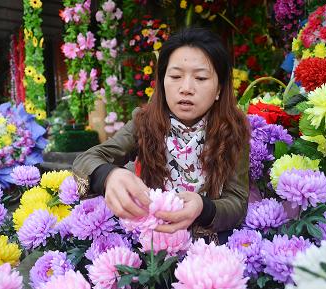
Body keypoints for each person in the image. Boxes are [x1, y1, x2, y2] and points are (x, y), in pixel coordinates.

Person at [72, 27, 250, 243]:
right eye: (175, 76)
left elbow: (237, 203)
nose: (186, 88)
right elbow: (87, 159)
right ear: (162, 82)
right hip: (149, 242)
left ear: (219, 89)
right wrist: (109, 176)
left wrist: (204, 208)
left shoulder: (232, 130)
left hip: (207, 249)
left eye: (201, 78)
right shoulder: (144, 122)